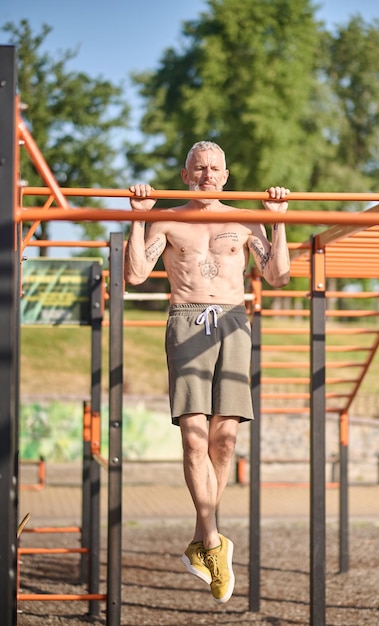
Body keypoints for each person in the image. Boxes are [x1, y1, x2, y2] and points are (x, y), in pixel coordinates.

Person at [124, 141, 290, 604]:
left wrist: (277, 220)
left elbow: (277, 276)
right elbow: (135, 275)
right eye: (199, 168)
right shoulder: (169, 220)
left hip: (234, 321)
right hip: (186, 318)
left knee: (225, 439)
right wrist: (139, 215)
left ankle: (202, 540)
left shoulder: (244, 220)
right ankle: (214, 542)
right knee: (195, 436)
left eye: (214, 168)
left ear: (226, 174)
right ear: (185, 174)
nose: (207, 175)